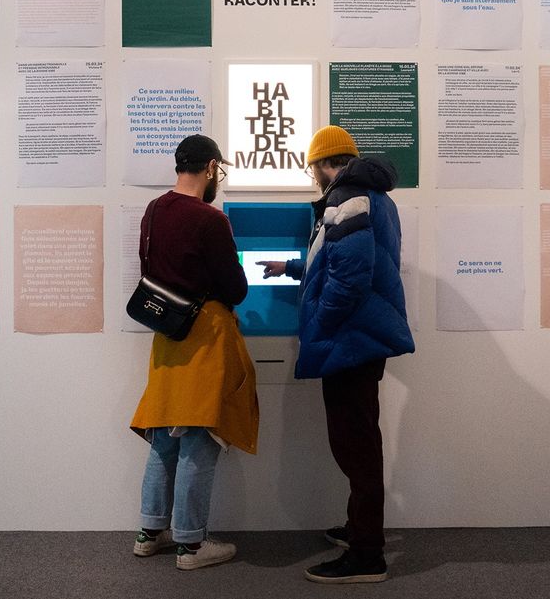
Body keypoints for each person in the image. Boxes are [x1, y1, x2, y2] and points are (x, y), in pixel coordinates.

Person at [257, 125, 414, 584]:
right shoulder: (374, 197)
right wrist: (291, 267)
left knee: (355, 445)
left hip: (350, 339)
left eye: (313, 169)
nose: (313, 179)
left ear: (325, 164)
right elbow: (341, 258)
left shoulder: (347, 197)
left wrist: (318, 324)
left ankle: (367, 555)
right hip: (362, 337)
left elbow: (349, 279)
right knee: (359, 437)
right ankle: (358, 530)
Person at [129, 134, 259, 571]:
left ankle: (150, 533)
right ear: (210, 169)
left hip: (167, 334)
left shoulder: (153, 210)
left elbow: (149, 271)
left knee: (164, 436)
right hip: (204, 335)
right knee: (199, 439)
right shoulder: (210, 219)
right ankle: (190, 544)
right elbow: (235, 288)